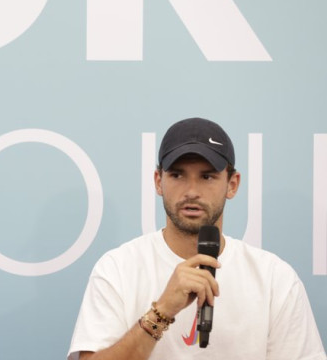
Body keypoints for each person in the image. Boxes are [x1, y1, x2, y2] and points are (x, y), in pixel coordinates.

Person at [67, 118, 326, 360]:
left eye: (207, 176)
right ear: (159, 181)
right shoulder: (117, 268)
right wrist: (162, 311)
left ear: (232, 184)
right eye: (177, 175)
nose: (191, 192)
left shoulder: (274, 278)